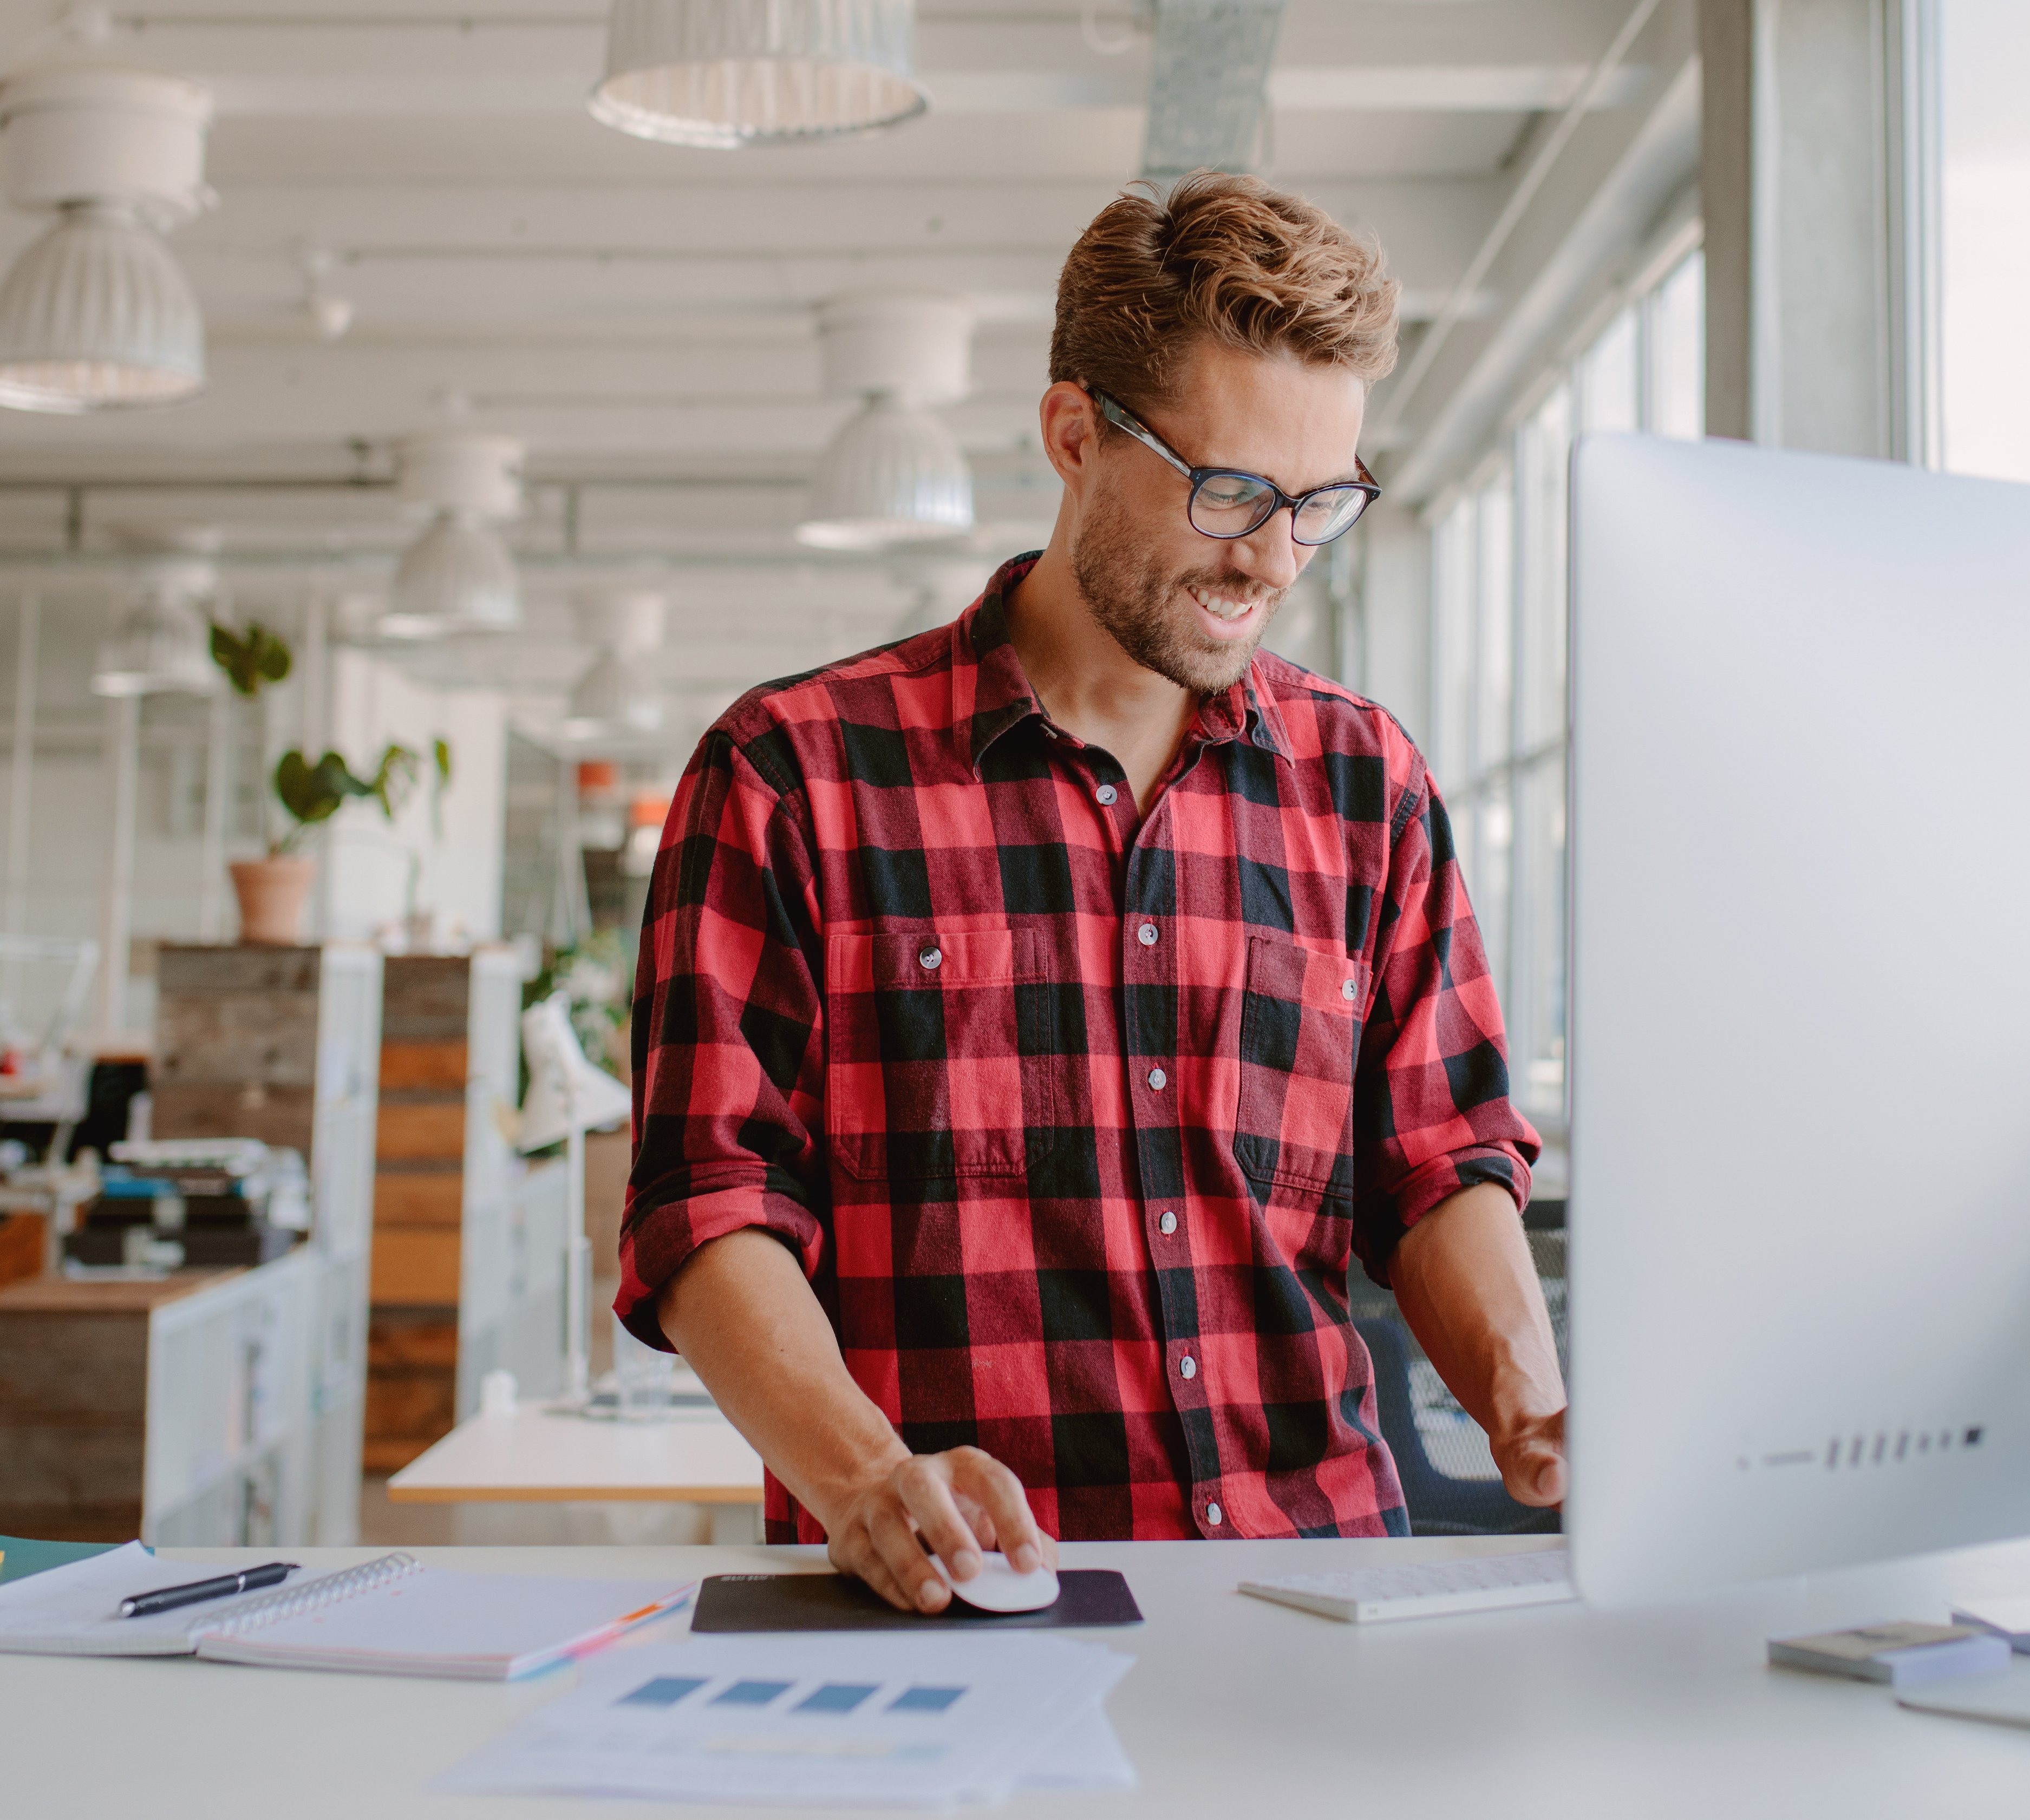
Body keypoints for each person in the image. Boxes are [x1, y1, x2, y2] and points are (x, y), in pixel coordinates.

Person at [615, 173, 1563, 1613]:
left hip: (1315, 1593)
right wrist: (866, 1473)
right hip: (957, 1606)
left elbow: (1438, 1157)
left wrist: (1531, 1407)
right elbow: (707, 1202)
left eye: (1323, 502)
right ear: (1073, 435)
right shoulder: (791, 775)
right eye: (1232, 489)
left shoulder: (1367, 781)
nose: (1273, 556)